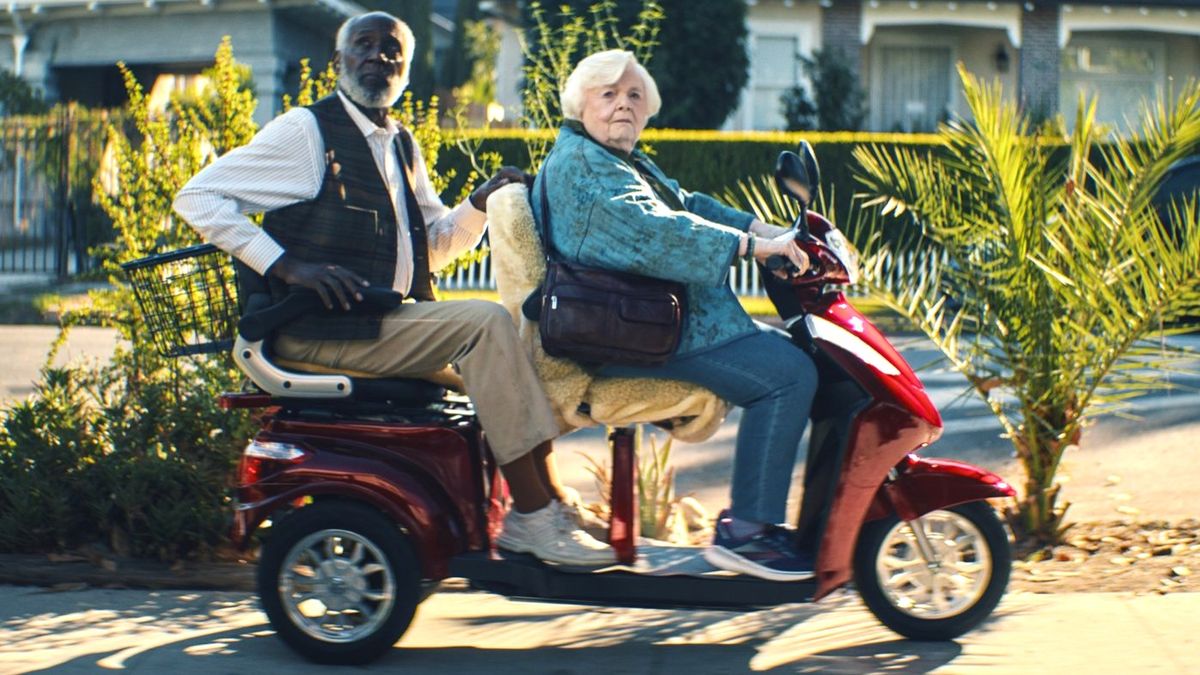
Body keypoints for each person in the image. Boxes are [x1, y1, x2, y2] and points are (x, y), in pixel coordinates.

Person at [173, 11, 612, 566]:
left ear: (405, 70)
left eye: (392, 50)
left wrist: (478, 203)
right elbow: (198, 198)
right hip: (319, 329)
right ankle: (532, 519)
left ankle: (548, 504)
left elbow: (431, 246)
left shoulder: (399, 142)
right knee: (485, 324)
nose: (379, 57)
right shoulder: (305, 132)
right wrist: (286, 266)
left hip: (375, 323)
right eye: (364, 45)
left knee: (518, 356)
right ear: (338, 62)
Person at [534, 49, 819, 581]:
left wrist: (764, 231)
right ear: (581, 104)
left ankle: (760, 522)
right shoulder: (582, 166)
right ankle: (749, 533)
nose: (622, 105)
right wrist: (749, 249)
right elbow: (651, 231)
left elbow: (684, 203)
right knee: (790, 374)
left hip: (652, 321)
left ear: (646, 112)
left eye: (633, 96)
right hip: (627, 333)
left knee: (797, 353)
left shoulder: (617, 159)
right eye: (608, 94)